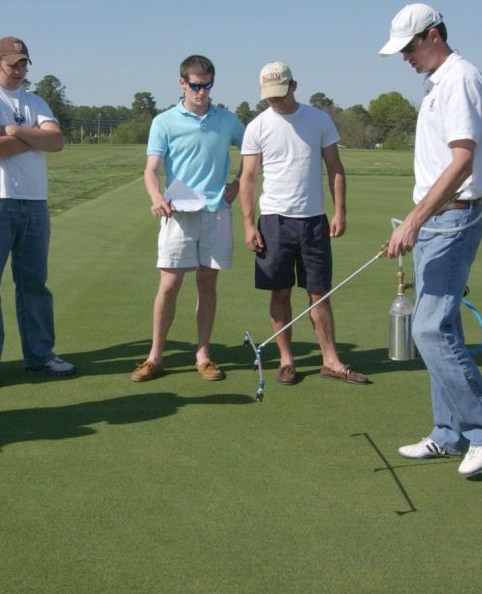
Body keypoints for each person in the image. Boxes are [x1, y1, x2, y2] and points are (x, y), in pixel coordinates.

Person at [379, 3, 482, 476]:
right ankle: (448, 433)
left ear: (433, 35)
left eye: (409, 47)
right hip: (437, 222)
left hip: (452, 220)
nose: (405, 57)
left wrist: (413, 220)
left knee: (428, 329)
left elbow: (462, 162)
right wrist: (419, 220)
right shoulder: (438, 84)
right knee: (442, 328)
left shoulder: (460, 80)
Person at [239, 62, 369, 388]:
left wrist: (340, 212)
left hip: (313, 221)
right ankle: (286, 360)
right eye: (269, 96)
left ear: (293, 85)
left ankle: (331, 361)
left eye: (280, 94)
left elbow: (335, 168)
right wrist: (247, 224)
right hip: (273, 221)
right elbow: (249, 178)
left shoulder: (318, 120)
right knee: (279, 291)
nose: (276, 101)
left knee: (319, 293)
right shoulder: (257, 126)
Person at [0, 36, 74, 389]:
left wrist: (16, 131)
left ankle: (40, 355)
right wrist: (33, 136)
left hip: (33, 201)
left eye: (24, 64)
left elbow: (56, 141)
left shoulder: (34, 100)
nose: (20, 70)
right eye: (13, 64)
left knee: (34, 284)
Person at [131, 54, 244, 382]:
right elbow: (151, 170)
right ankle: (155, 357)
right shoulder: (164, 122)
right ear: (182, 83)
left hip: (216, 213)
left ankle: (203, 355)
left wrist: (237, 182)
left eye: (207, 85)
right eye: (195, 86)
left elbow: (254, 149)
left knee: (207, 283)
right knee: (168, 284)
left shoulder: (227, 120)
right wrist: (155, 197)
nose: (202, 92)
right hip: (179, 213)